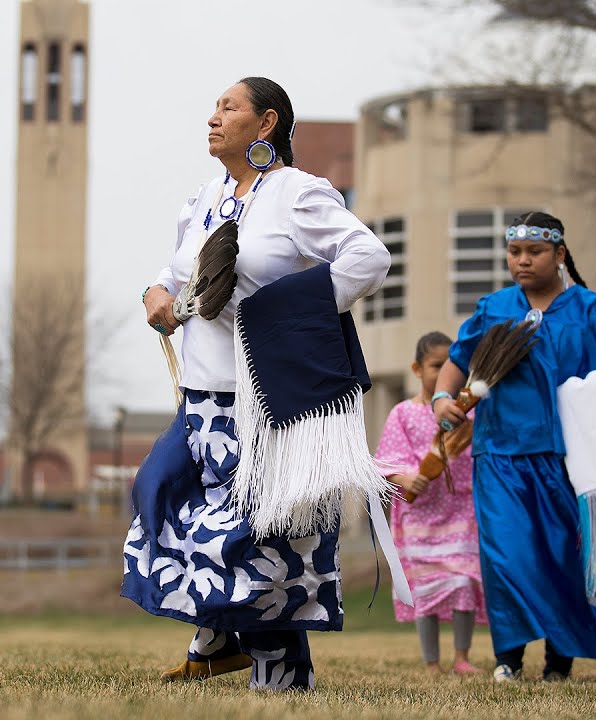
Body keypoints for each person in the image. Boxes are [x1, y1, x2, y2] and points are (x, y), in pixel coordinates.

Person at [122, 77, 390, 692]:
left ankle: (280, 674)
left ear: (265, 124)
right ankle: (215, 639)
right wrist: (156, 293)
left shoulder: (297, 195)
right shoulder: (204, 199)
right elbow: (173, 270)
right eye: (214, 107)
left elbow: (367, 259)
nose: (213, 117)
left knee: (252, 538)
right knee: (158, 497)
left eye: (228, 107)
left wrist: (279, 314)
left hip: (263, 403)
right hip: (200, 399)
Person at [432, 211, 596, 682]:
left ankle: (559, 660)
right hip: (498, 456)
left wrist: (587, 392)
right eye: (514, 252)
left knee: (561, 557)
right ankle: (508, 658)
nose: (522, 261)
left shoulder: (591, 310)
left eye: (534, 252)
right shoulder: (494, 308)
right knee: (506, 556)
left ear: (559, 254)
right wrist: (441, 398)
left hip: (565, 459)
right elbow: (458, 359)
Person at [376, 331, 486, 676]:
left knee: (464, 579)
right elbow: (385, 462)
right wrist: (407, 477)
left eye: (450, 366)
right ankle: (432, 662)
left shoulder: (467, 415)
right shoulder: (403, 413)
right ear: (417, 368)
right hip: (419, 517)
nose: (442, 373)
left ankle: (462, 656)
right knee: (425, 587)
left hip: (461, 511)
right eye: (436, 365)